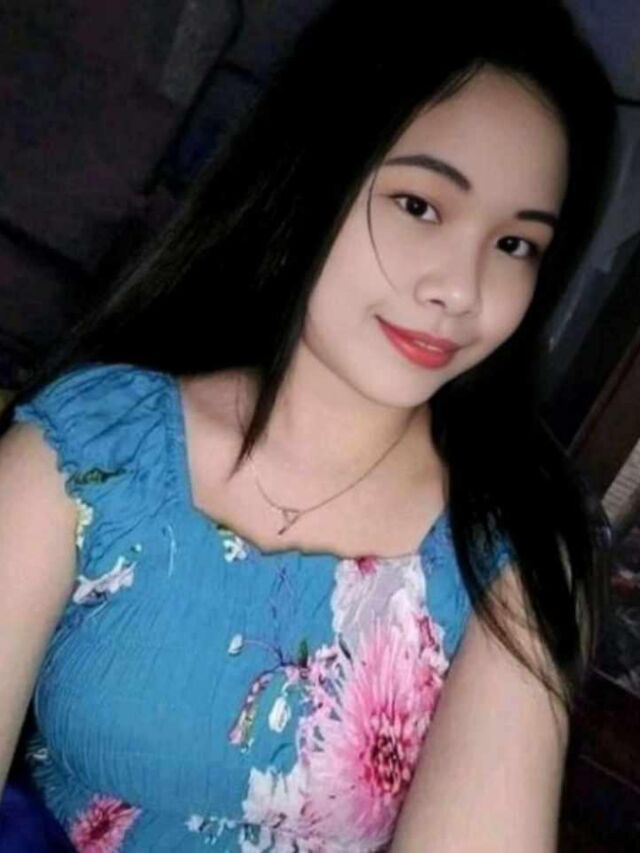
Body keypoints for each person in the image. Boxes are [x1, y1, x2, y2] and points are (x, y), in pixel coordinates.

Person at [0, 0, 616, 850]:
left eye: (516, 245)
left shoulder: (514, 545)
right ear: (312, 173)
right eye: (420, 205)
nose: (461, 289)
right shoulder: (89, 452)